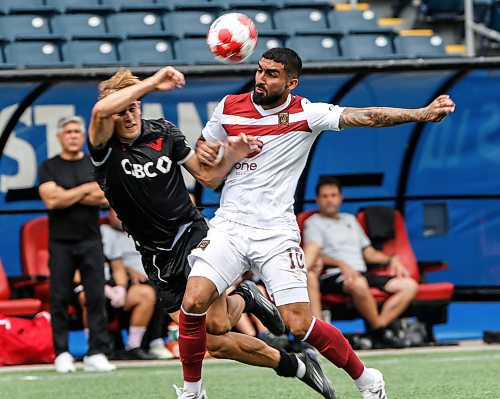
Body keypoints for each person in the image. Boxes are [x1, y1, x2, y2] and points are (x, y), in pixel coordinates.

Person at [184, 47, 456, 399]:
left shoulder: (307, 113)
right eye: (260, 70)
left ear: (291, 82)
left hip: (275, 233)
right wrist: (205, 147)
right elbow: (206, 150)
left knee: (300, 325)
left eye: (271, 74)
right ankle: (192, 393)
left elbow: (368, 115)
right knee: (193, 302)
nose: (261, 79)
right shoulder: (228, 107)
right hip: (229, 226)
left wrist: (421, 113)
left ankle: (367, 378)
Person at [88, 67, 336, 399]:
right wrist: (150, 84)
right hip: (156, 257)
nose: (130, 115)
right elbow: (101, 111)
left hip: (191, 235)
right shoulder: (103, 147)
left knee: (213, 329)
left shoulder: (164, 132)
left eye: (135, 106)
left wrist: (232, 155)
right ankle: (294, 361)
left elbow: (208, 178)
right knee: (215, 340)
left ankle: (251, 322)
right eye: (122, 110)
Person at [38, 116, 116, 373]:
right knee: (59, 297)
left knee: (95, 297)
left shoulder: (93, 162)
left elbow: (104, 196)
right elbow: (52, 201)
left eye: (77, 132)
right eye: (68, 132)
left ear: (83, 136)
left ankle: (97, 352)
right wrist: (85, 190)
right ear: (59, 136)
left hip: (91, 239)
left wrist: (67, 193)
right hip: (60, 242)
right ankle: (61, 352)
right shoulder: (49, 166)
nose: (73, 135)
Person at [303, 177, 419, 348]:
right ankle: (381, 333)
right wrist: (341, 264)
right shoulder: (313, 222)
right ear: (317, 199)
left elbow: (369, 252)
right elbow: (314, 254)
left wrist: (391, 258)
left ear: (341, 197)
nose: (329, 200)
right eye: (325, 196)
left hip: (360, 272)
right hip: (333, 275)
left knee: (409, 285)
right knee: (358, 283)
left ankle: (378, 329)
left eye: (333, 195)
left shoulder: (350, 220)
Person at [99, 208, 173, 360]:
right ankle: (155, 341)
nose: (120, 216)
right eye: (115, 212)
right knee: (153, 290)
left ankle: (149, 342)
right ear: (108, 215)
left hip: (151, 275)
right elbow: (112, 264)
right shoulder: (105, 232)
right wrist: (128, 271)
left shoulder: (140, 232)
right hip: (125, 282)